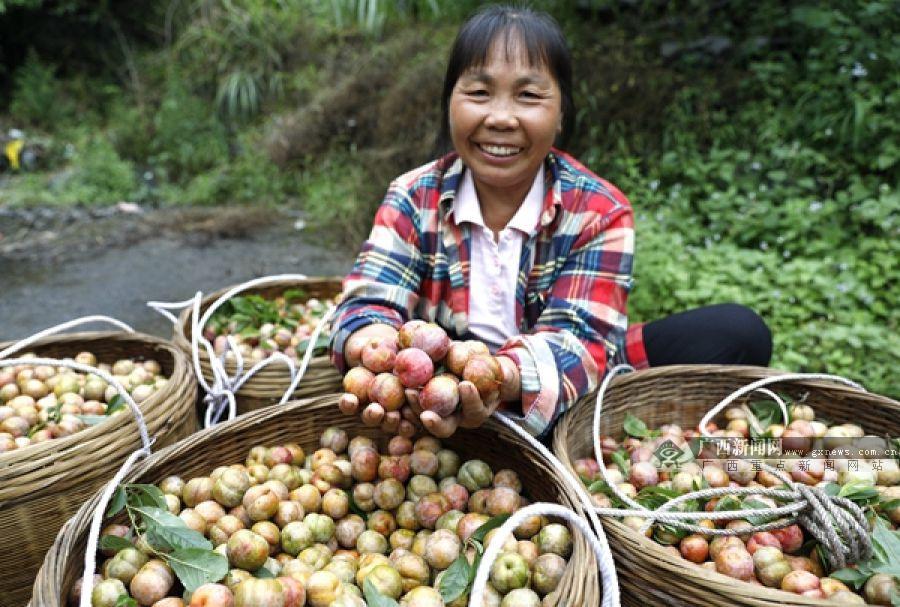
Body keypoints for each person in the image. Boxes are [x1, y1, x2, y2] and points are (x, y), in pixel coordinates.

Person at [329, 5, 771, 440]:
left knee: (735, 332)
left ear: (560, 114)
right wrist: (374, 350)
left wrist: (498, 378)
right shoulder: (413, 195)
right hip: (432, 398)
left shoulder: (600, 209)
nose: (500, 118)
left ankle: (587, 433)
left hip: (552, 385)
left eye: (528, 96)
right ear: (450, 104)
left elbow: (577, 340)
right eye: (479, 93)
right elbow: (370, 299)